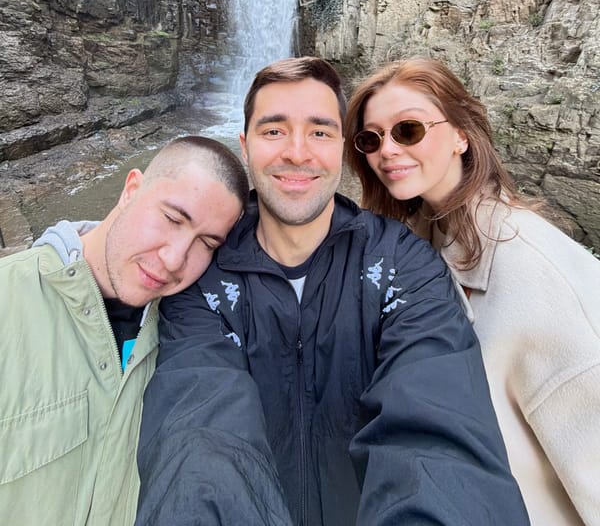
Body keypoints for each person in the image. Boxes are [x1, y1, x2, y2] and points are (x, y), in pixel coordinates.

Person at [135, 57, 530, 526]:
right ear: (245, 147)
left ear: (343, 148)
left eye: (320, 132)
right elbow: (198, 433)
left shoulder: (402, 264)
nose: (297, 153)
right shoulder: (203, 279)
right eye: (274, 131)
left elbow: (436, 434)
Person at [345, 55, 600, 526]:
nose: (386, 151)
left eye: (408, 130)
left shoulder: (530, 264)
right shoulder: (419, 249)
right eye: (371, 138)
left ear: (461, 135)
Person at [0, 135, 249, 526]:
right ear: (131, 189)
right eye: (171, 218)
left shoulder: (191, 338)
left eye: (206, 243)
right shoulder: (7, 302)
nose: (174, 259)